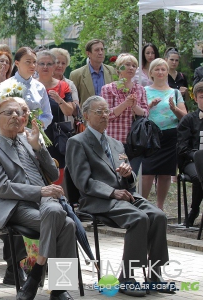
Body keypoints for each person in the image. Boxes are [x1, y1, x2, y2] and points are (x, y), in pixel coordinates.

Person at [66, 96, 172, 297]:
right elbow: (82, 181)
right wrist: (111, 192)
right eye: (99, 112)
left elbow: (130, 179)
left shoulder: (116, 144)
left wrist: (128, 173)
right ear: (87, 115)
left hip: (124, 195)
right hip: (98, 199)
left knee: (158, 216)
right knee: (139, 218)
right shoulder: (77, 142)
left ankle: (155, 275)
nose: (105, 115)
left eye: (106, 111)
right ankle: (127, 277)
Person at [0, 97, 76, 300]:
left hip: (44, 202)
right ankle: (58, 289)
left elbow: (53, 173)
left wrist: (39, 148)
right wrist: (40, 192)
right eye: (9, 113)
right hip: (15, 205)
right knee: (65, 224)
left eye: (18, 113)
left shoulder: (28, 141)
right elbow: (1, 188)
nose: (16, 116)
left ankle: (37, 272)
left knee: (57, 215)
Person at [141, 58, 187, 210]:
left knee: (166, 174)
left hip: (170, 136)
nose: (160, 72)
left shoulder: (174, 92)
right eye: (157, 69)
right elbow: (139, 114)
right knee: (147, 173)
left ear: (167, 72)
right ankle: (142, 204)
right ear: (151, 72)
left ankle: (159, 207)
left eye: (163, 69)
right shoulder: (144, 91)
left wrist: (174, 109)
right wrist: (150, 105)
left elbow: (184, 117)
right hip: (150, 135)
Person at [100, 54, 149, 175]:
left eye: (134, 66)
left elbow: (145, 113)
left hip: (135, 142)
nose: (131, 68)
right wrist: (125, 104)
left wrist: (134, 106)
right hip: (115, 141)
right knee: (116, 178)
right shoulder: (108, 89)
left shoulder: (140, 89)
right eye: (127, 65)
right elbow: (107, 115)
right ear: (118, 69)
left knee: (131, 179)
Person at [36, 50, 74, 184]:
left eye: (49, 64)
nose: (45, 67)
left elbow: (70, 112)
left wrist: (59, 100)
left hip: (57, 138)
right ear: (36, 66)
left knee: (57, 177)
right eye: (42, 63)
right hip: (36, 137)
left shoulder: (63, 85)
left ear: (54, 66)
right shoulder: (30, 86)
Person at [177, 82, 203, 227]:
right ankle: (194, 212)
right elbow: (182, 148)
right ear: (196, 99)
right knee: (200, 175)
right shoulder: (188, 120)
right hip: (191, 162)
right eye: (202, 97)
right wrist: (198, 156)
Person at [10, 47, 53, 129]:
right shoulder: (6, 86)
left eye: (34, 62)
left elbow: (47, 115)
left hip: (35, 134)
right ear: (17, 63)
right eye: (28, 62)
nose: (32, 65)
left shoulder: (40, 87)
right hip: (11, 134)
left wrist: (37, 124)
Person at [69, 39, 117, 105]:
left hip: (108, 113)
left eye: (102, 49)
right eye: (97, 50)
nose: (100, 53)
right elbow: (74, 102)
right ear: (88, 53)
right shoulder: (76, 75)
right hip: (87, 114)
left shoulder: (112, 71)